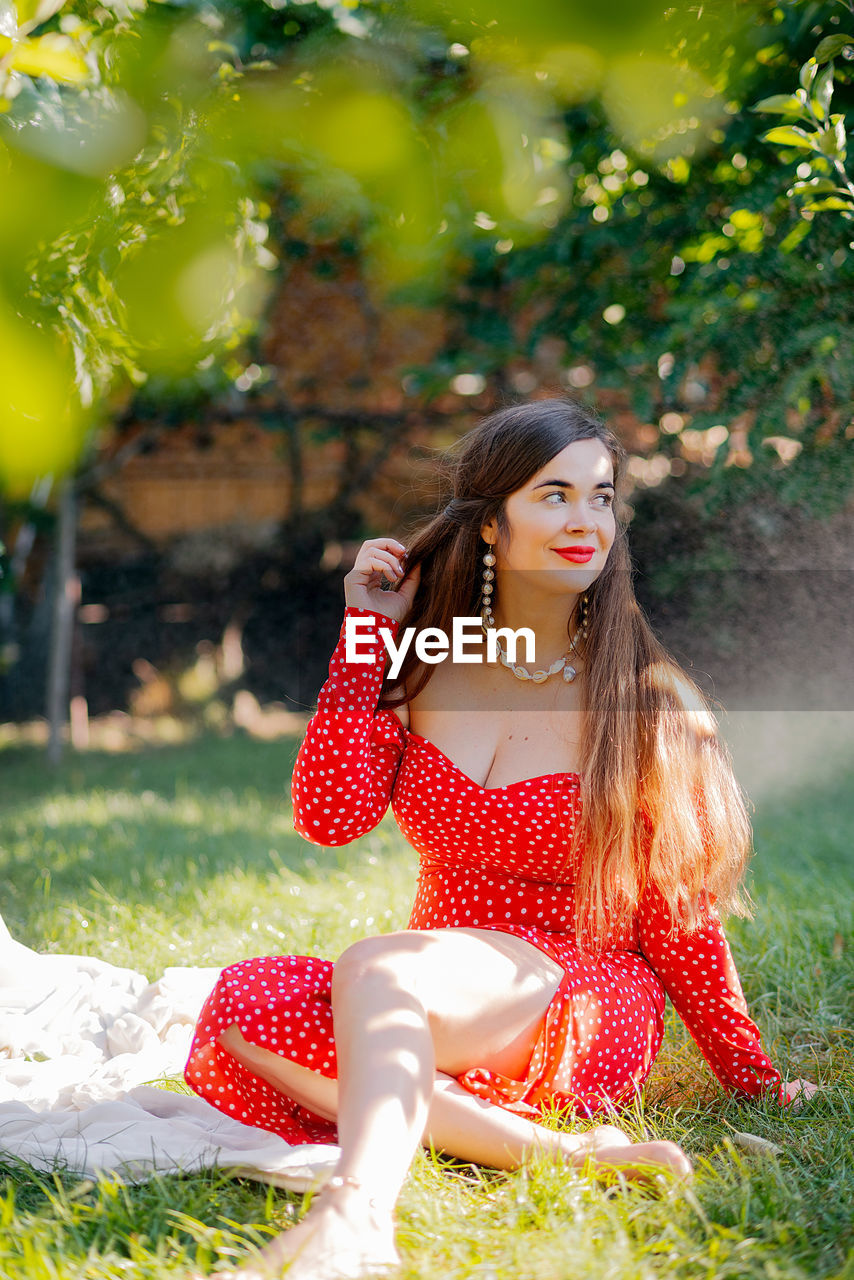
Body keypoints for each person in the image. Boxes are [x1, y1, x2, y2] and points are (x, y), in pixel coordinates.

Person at [185, 399, 817, 1280]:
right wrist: (367, 636)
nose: (584, 521)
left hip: (585, 986)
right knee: (243, 1004)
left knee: (377, 968)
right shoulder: (423, 665)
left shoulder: (644, 698)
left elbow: (679, 910)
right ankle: (563, 1157)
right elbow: (331, 816)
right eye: (554, 494)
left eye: (600, 497)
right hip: (440, 984)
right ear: (490, 523)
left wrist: (751, 1073)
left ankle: (356, 1212)